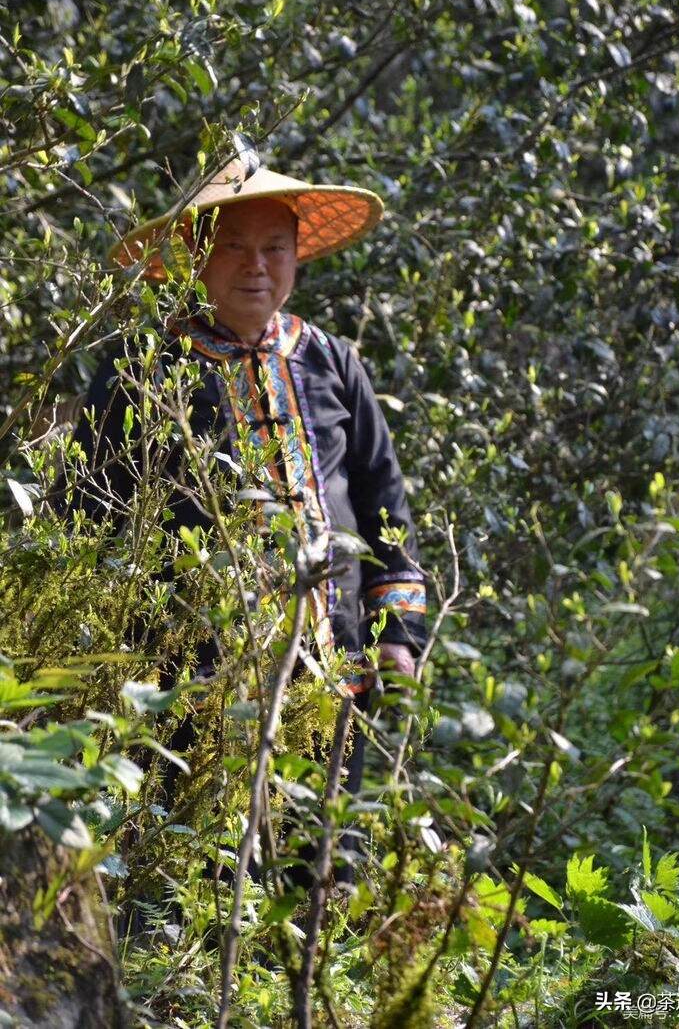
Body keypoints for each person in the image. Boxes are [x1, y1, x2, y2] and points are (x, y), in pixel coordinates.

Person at [54, 157, 426, 841]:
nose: (255, 266)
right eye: (233, 247)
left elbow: (385, 511)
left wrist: (397, 637)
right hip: (189, 681)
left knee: (325, 863)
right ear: (198, 255)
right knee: (197, 865)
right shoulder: (146, 366)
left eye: (274, 249)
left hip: (333, 667)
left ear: (296, 258)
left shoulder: (333, 362)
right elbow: (85, 509)